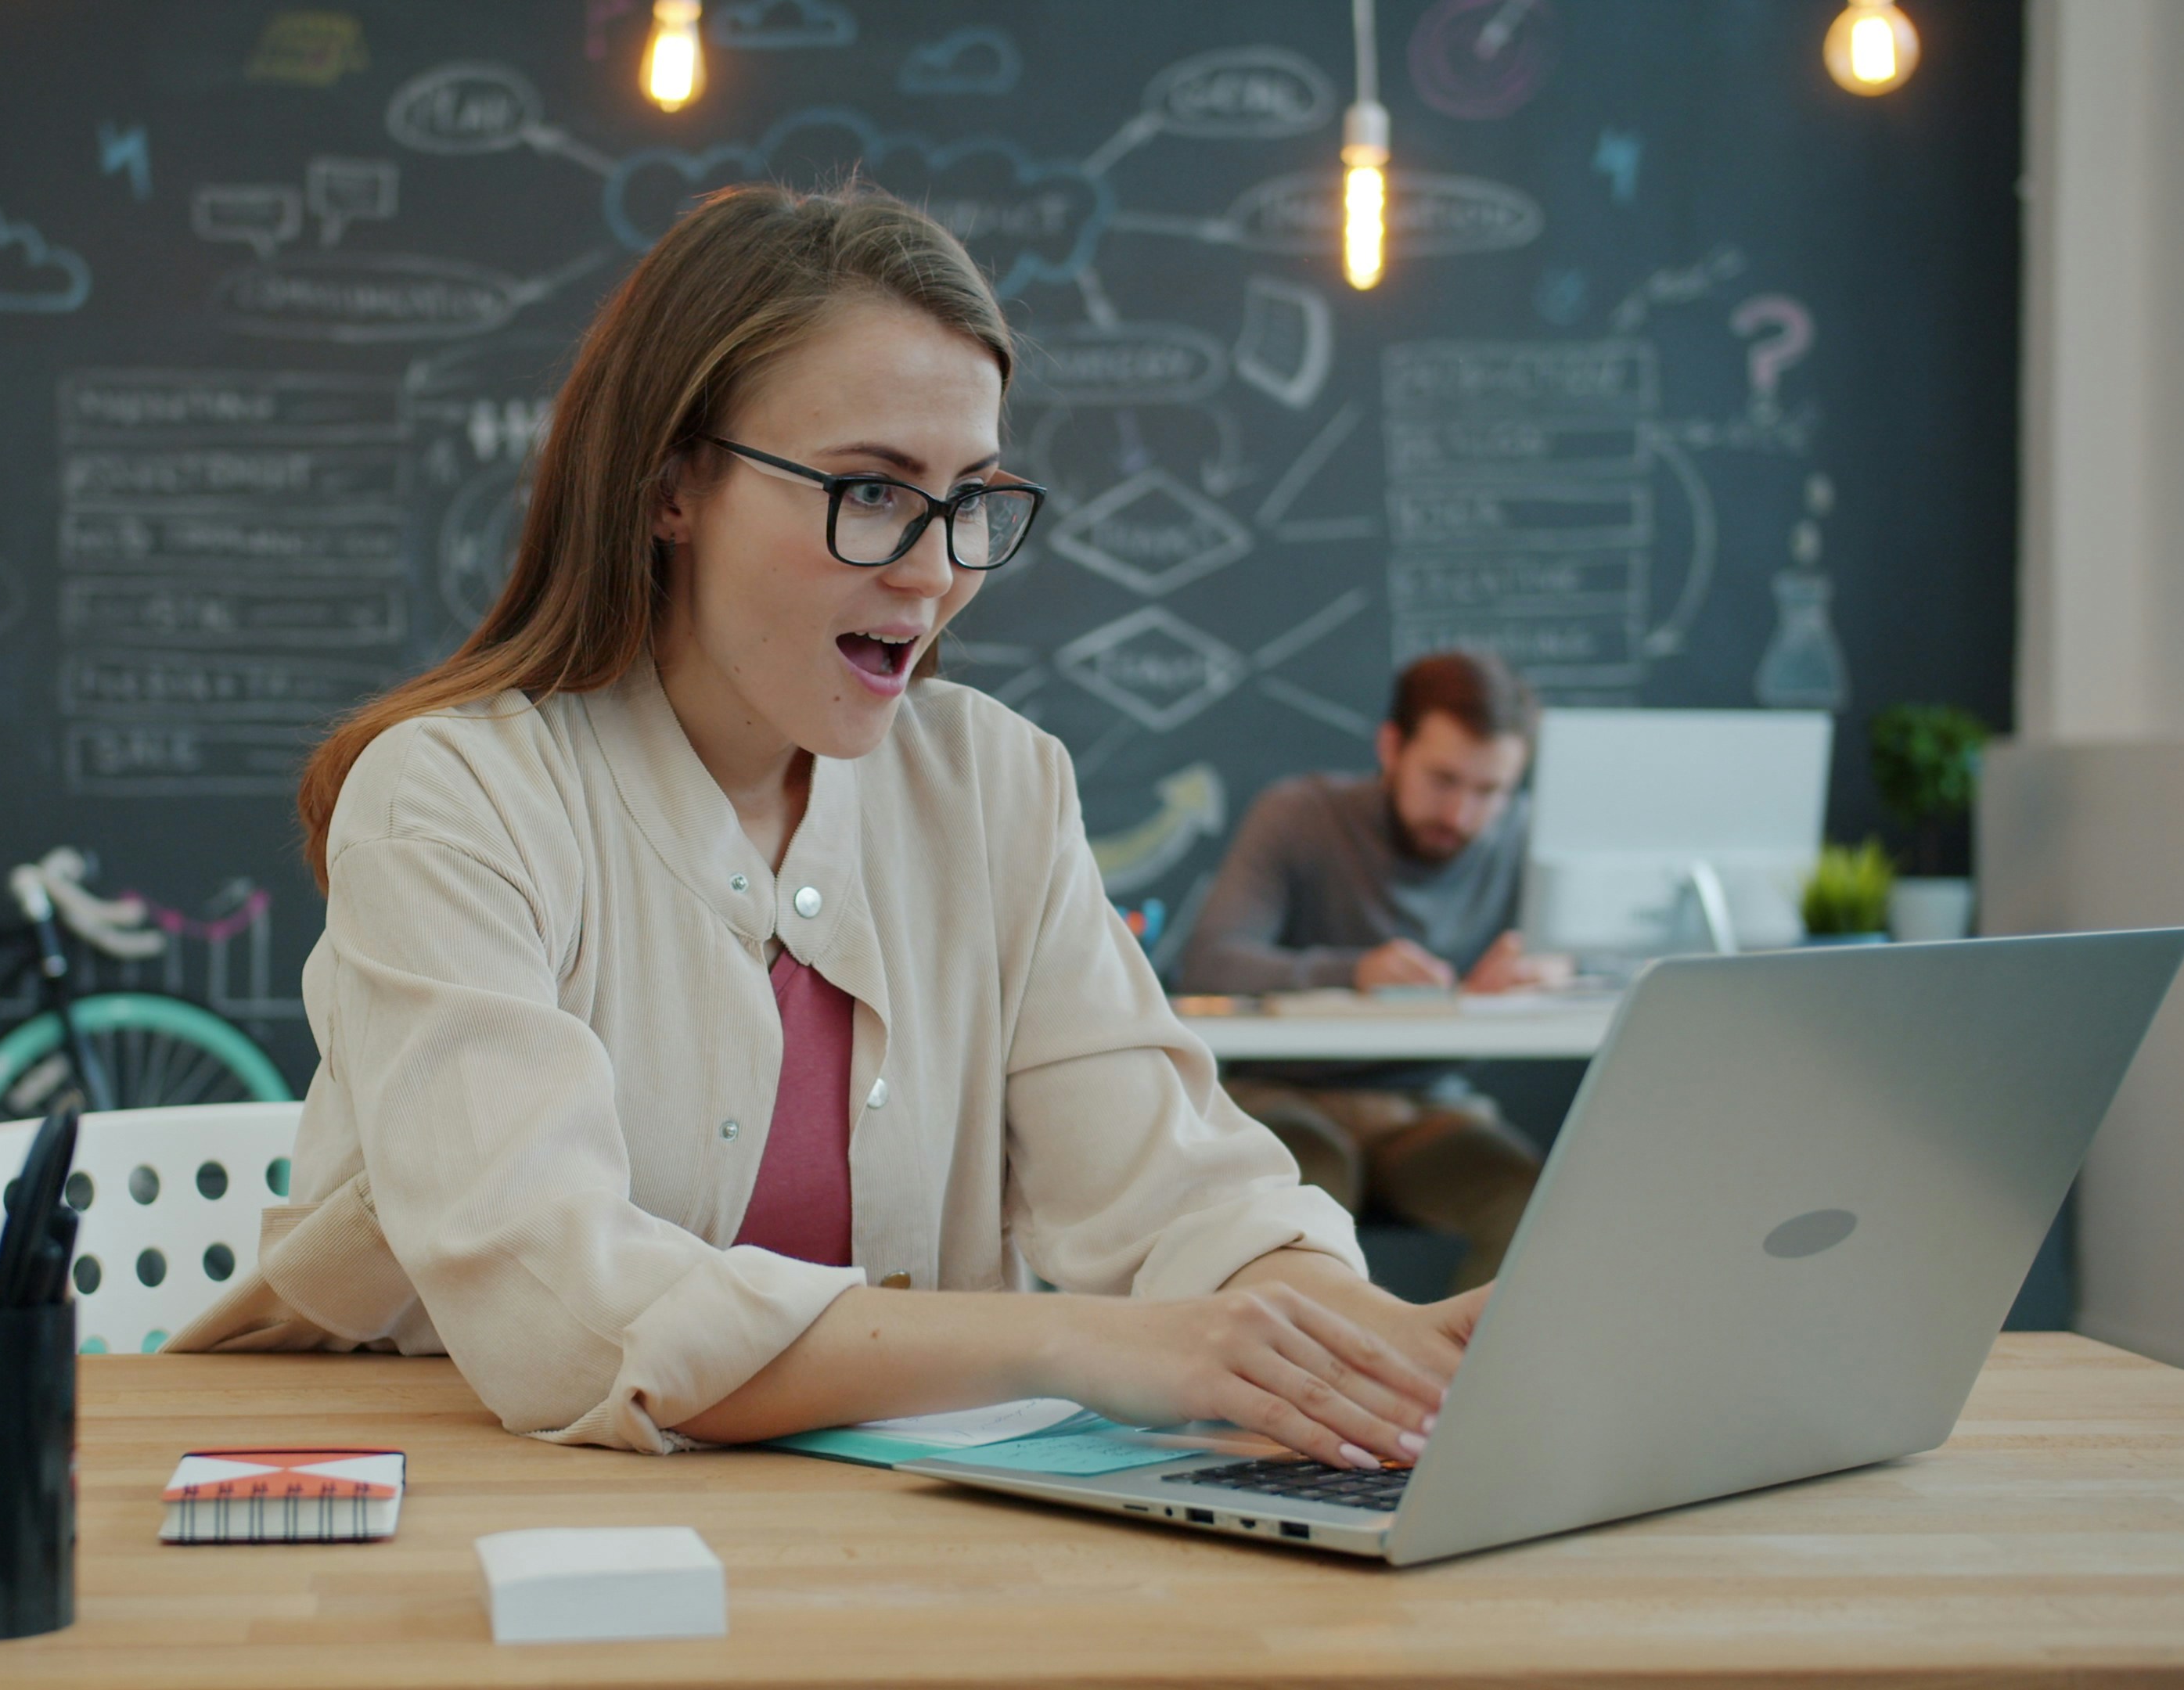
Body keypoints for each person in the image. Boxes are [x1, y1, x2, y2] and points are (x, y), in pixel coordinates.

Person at [170, 180, 1481, 1467]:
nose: (935, 569)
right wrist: (1068, 1345)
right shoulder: (455, 798)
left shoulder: (999, 789)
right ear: (673, 487)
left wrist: (1376, 1342)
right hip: (423, 1506)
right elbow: (564, 1310)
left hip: (865, 1546)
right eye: (871, 491)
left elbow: (1178, 1189)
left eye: (973, 498)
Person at [1174, 652, 1570, 1293]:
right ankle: (1332, 1387)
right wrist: (1355, 970)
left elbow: (1590, 957)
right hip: (1286, 1098)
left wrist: (1548, 974)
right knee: (1310, 1196)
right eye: (1443, 780)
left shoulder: (1526, 842)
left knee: (1537, 1208)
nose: (1462, 815)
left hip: (1429, 1111)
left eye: (1490, 791)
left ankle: (1455, 1390)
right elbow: (1210, 962)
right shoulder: (1299, 815)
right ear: (1392, 747)